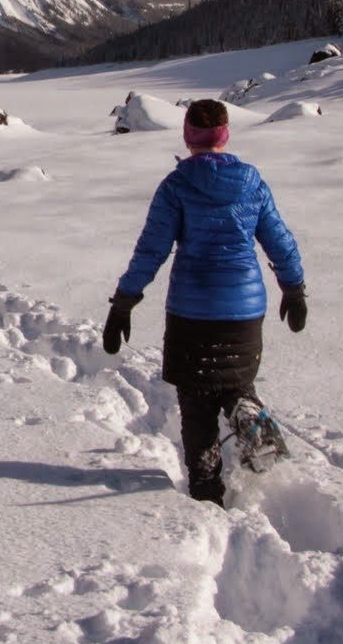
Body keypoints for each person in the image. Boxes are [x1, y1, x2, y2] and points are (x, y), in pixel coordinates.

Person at [102, 97, 308, 504]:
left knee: (196, 408)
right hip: (245, 310)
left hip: (192, 312)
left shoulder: (176, 186)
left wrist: (123, 303)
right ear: (225, 135)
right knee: (235, 381)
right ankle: (246, 415)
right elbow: (280, 241)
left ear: (188, 135)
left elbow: (151, 251)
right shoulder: (252, 182)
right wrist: (294, 288)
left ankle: (206, 489)